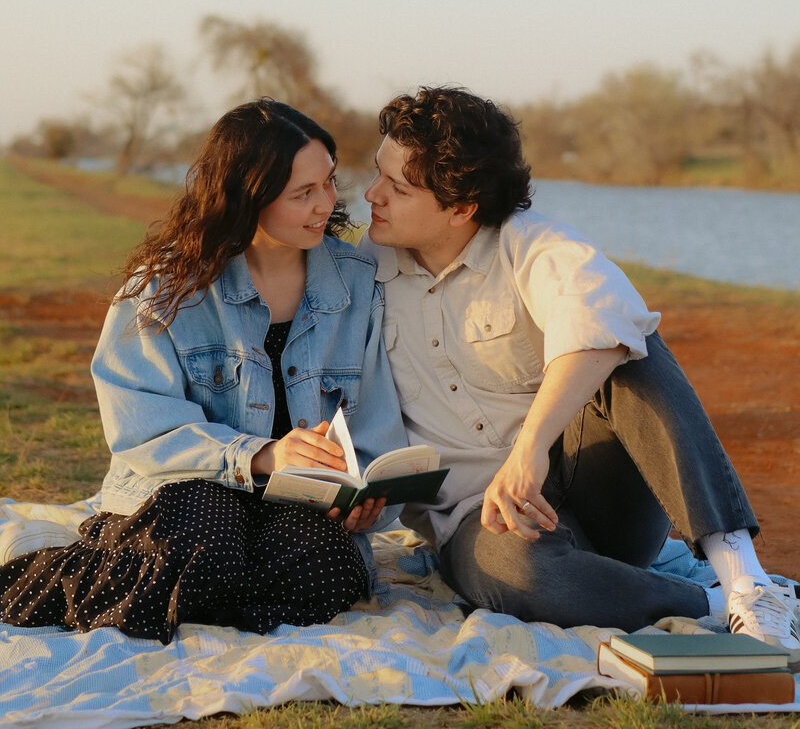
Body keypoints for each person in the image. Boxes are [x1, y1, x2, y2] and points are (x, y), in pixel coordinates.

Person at [357, 85, 800, 663]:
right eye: (378, 175)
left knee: (624, 342)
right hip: (483, 520)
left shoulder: (531, 242)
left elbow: (602, 313)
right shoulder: (361, 271)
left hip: (595, 491)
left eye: (398, 187)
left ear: (461, 207)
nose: (372, 195)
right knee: (516, 575)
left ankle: (748, 582)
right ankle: (715, 607)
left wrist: (531, 450)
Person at [0, 99, 406, 644]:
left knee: (328, 564)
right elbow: (141, 427)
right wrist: (258, 455)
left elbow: (378, 422)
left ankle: (186, 590)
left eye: (330, 183)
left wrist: (367, 504)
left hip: (295, 506)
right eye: (302, 194)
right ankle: (50, 569)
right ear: (248, 199)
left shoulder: (358, 281)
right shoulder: (164, 288)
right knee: (204, 534)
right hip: (187, 494)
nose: (326, 204)